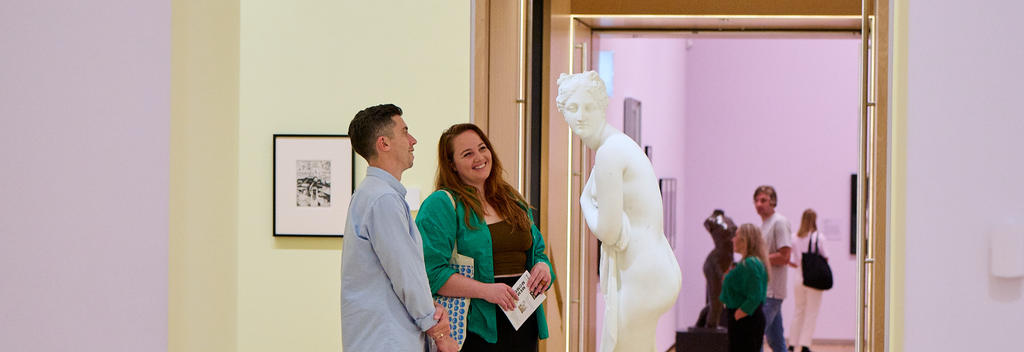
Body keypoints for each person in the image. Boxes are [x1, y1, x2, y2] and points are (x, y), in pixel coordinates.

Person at [556, 71, 681, 352]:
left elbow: (609, 232)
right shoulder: (618, 146)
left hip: (642, 272)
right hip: (650, 266)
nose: (580, 116)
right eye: (573, 108)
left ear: (602, 107)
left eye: (588, 107)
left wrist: (584, 202)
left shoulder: (609, 153)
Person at [416, 123, 555, 351]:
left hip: (523, 321)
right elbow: (430, 273)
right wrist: (486, 290)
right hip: (474, 328)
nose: (479, 157)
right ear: (452, 164)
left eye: (482, 148)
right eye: (467, 154)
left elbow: (537, 250)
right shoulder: (440, 205)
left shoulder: (510, 197)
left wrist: (543, 266)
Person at [340, 104, 457, 352]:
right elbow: (406, 273)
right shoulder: (383, 199)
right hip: (388, 341)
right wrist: (437, 329)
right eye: (405, 132)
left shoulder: (374, 195)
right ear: (384, 143)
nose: (413, 140)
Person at [754, 185, 792, 352]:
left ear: (773, 201)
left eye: (763, 200)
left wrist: (757, 260)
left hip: (772, 291)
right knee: (775, 339)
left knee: (754, 334)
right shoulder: (764, 225)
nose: (759, 204)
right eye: (756, 200)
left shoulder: (779, 223)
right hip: (765, 289)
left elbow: (785, 256)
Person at [720, 224, 770, 352]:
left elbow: (755, 296)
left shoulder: (750, 264)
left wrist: (738, 314)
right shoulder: (748, 262)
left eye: (736, 236)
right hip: (744, 319)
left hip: (746, 321)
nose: (733, 239)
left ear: (745, 240)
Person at [787, 209, 829, 352]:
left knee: (798, 310)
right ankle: (805, 345)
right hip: (814, 278)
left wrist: (799, 265)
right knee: (811, 312)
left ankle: (792, 344)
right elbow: (826, 258)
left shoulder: (794, 237)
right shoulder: (819, 237)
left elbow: (791, 260)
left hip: (799, 276)